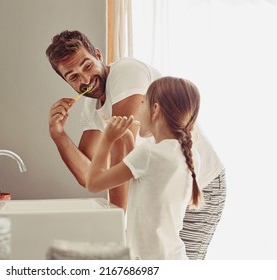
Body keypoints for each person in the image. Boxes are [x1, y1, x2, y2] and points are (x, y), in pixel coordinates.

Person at [46, 30, 226, 259]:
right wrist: (58, 134)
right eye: (73, 76)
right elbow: (87, 174)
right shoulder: (91, 109)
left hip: (201, 183)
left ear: (98, 55)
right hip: (162, 189)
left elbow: (118, 155)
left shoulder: (125, 72)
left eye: (87, 65)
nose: (85, 80)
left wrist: (117, 231)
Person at [86, 76, 202, 259]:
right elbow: (147, 182)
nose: (138, 110)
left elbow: (93, 183)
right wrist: (129, 141)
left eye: (142, 103)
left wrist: (106, 139)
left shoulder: (148, 153)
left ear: (155, 109)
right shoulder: (190, 155)